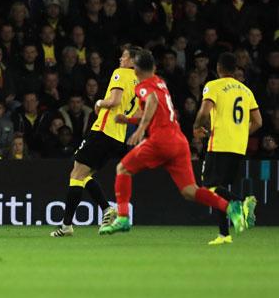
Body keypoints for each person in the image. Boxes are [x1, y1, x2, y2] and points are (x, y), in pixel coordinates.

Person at [100, 49, 247, 235]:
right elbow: (150, 110)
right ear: (154, 67)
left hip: (161, 140)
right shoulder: (160, 82)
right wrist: (128, 119)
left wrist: (140, 129)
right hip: (179, 142)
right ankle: (229, 207)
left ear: (136, 70)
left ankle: (122, 217)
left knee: (123, 169)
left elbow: (151, 102)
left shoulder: (143, 86)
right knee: (190, 191)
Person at [50, 45, 140, 237]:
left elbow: (114, 101)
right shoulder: (140, 83)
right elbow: (139, 113)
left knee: (76, 173)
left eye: (124, 57)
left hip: (103, 131)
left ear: (132, 61)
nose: (120, 60)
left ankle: (68, 225)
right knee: (83, 174)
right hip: (117, 137)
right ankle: (106, 210)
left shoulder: (121, 73)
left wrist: (99, 102)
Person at [193, 52, 262, 245]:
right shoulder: (246, 91)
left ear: (218, 68)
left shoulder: (213, 86)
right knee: (219, 189)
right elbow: (258, 121)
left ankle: (241, 202)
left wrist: (196, 127)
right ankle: (224, 234)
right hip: (238, 147)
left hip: (219, 143)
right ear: (235, 69)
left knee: (209, 186)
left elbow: (204, 110)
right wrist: (240, 133)